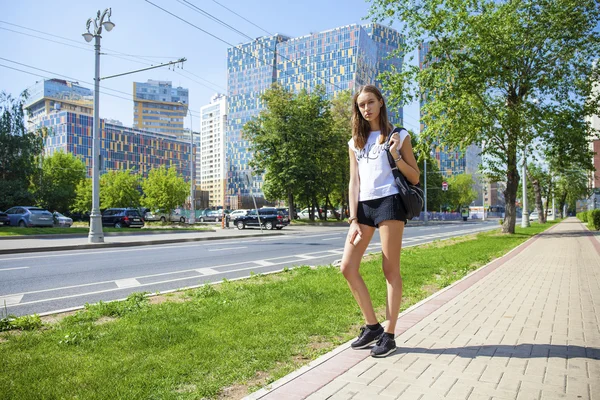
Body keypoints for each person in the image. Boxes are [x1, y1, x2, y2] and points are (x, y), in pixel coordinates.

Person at [341, 84, 420, 358]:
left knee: (390, 270)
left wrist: (396, 153)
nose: (366, 108)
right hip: (364, 207)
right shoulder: (355, 142)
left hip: (390, 203)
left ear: (381, 102)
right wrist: (352, 218)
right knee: (348, 267)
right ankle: (372, 326)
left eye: (371, 102)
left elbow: (415, 177)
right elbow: (354, 182)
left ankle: (389, 335)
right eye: (361, 105)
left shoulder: (398, 135)